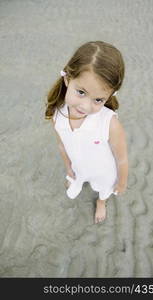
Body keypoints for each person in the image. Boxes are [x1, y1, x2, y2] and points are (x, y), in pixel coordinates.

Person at [45, 41, 128, 224]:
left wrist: (121, 182)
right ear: (67, 79)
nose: (85, 106)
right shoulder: (57, 115)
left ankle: (101, 202)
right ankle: (78, 180)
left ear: (110, 96)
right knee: (77, 175)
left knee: (104, 187)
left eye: (98, 99)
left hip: (103, 170)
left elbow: (121, 158)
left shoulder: (110, 123)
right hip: (78, 164)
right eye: (81, 92)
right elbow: (62, 144)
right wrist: (68, 166)